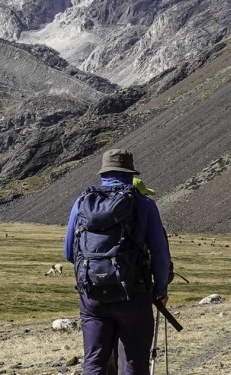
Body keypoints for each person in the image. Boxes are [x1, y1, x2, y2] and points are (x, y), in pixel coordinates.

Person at [64, 148, 172, 375]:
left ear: (103, 173)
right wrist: (160, 289)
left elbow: (69, 252)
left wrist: (94, 273)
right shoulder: (144, 204)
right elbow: (160, 254)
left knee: (93, 363)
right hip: (134, 295)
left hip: (92, 297)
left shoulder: (82, 202)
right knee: (132, 363)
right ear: (130, 173)